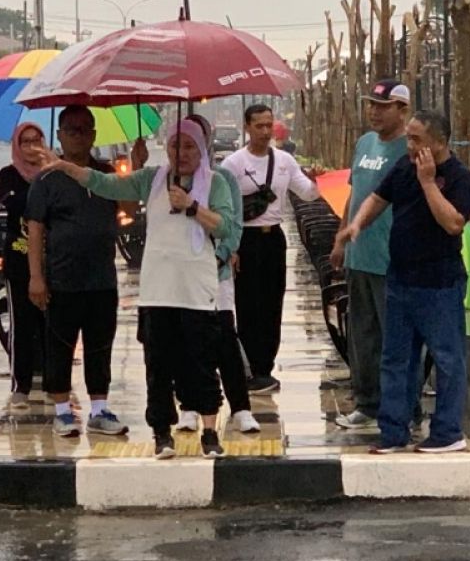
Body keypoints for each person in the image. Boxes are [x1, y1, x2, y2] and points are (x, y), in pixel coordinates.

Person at [44, 120, 235, 459]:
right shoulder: (153, 180)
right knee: (158, 365)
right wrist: (67, 168)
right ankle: (162, 432)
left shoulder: (215, 184)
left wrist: (192, 206)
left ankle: (209, 432)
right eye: (176, 146)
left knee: (202, 363)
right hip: (158, 290)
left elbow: (225, 228)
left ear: (201, 149)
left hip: (197, 290)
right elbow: (107, 184)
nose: (183, 153)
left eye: (190, 146)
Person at [337, 109, 470, 454]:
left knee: (447, 357)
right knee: (396, 357)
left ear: (439, 143)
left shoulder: (458, 176)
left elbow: (453, 223)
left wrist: (429, 182)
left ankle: (447, 432)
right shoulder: (403, 167)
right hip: (400, 278)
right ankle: (393, 430)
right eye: (409, 138)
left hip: (439, 282)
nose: (409, 144)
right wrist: (357, 224)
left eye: (416, 139)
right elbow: (378, 198)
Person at [26, 105, 128, 439]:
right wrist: (36, 277)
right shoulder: (47, 179)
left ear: (94, 135)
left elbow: (128, 208)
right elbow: (36, 229)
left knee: (100, 346)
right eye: (72, 130)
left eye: (85, 129)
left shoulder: (105, 172)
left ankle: (99, 410)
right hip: (62, 279)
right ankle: (62, 412)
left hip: (101, 278)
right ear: (60, 135)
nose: (78, 136)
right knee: (60, 346)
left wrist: (136, 167)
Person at [221, 104, 324, 393]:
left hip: (273, 240)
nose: (265, 132)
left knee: (271, 302)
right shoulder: (232, 164)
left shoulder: (285, 161)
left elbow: (306, 191)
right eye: (259, 126)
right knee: (247, 303)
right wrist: (231, 246)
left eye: (269, 125)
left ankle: (265, 366)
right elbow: (226, 209)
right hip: (245, 240)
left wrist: (318, 179)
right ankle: (249, 366)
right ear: (247, 127)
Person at [330, 79, 410, 429]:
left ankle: (401, 407)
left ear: (403, 110)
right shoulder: (364, 144)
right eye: (371, 105)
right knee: (362, 334)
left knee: (395, 336)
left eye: (383, 106)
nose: (374, 112)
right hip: (359, 257)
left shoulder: (412, 148)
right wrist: (341, 238)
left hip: (393, 259)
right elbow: (355, 193)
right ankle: (367, 402)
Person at [174, 113, 261, 434]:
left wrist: (220, 258)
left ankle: (240, 407)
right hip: (181, 279)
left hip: (216, 274)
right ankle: (188, 406)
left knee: (225, 339)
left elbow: (233, 226)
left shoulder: (222, 179)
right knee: (185, 342)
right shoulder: (168, 180)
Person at [0, 122, 48, 411]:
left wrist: (47, 173)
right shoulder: (8, 175)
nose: (31, 147)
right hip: (18, 262)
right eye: (25, 142)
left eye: (36, 140)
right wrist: (40, 188)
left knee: (52, 327)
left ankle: (56, 383)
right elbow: (16, 205)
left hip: (51, 262)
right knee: (21, 326)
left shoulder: (55, 173)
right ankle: (20, 387)